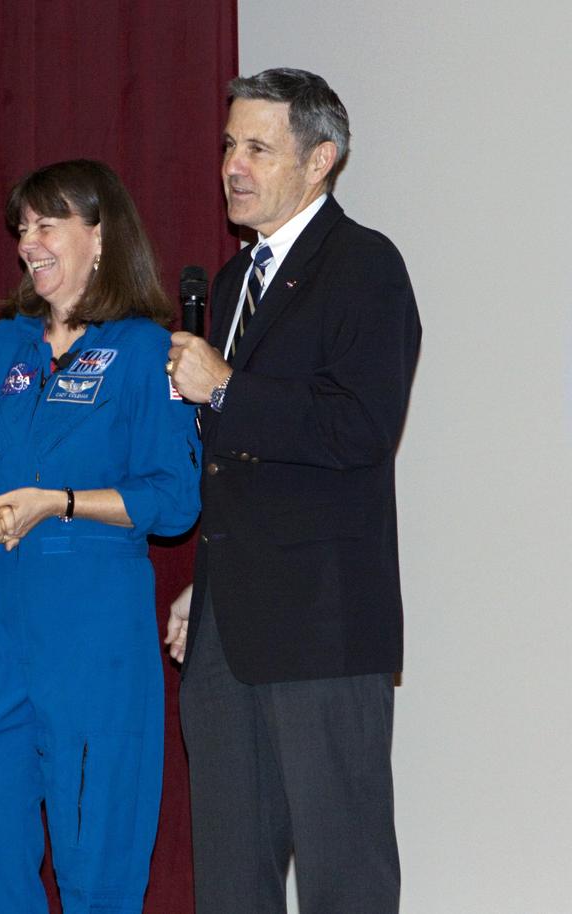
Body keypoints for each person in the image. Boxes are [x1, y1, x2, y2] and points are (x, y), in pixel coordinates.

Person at [165, 69, 420, 913]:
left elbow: (359, 429)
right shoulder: (236, 284)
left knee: (344, 875)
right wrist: (211, 576)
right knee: (232, 881)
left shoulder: (364, 266)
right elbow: (244, 466)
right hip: (230, 632)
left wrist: (228, 388)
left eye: (259, 148)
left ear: (321, 161)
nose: (233, 165)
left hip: (323, 627)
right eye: (229, 145)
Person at [0, 159, 200, 913]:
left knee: (97, 847)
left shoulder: (150, 352)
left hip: (95, 628)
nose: (28, 243)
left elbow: (175, 499)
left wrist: (62, 503)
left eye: (48, 225)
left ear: (102, 235)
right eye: (22, 228)